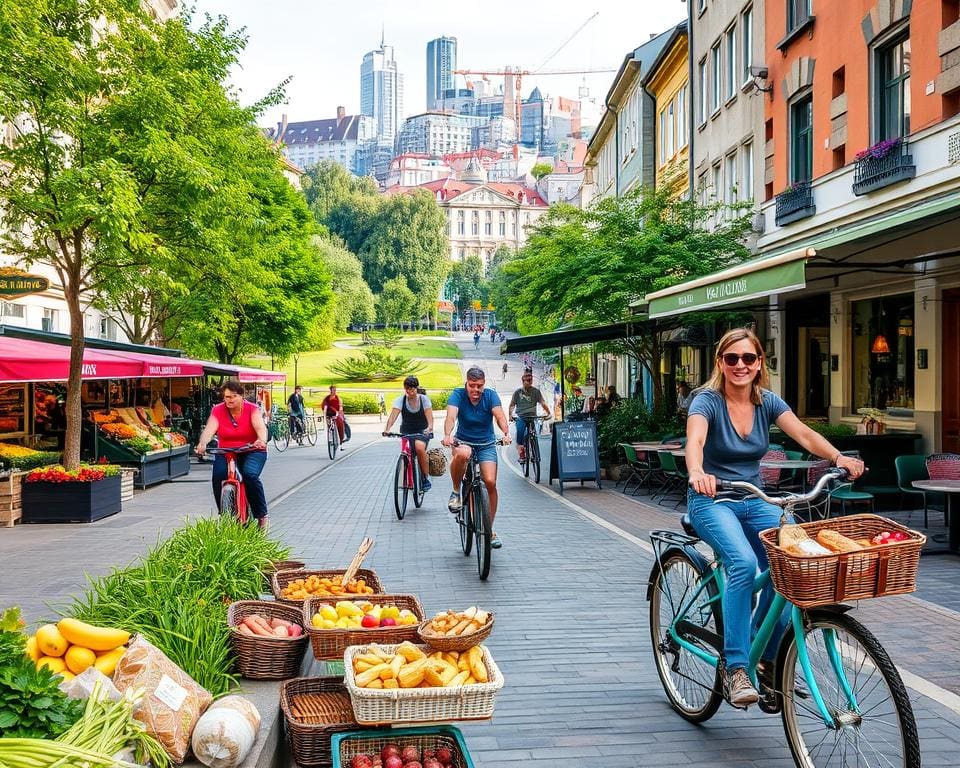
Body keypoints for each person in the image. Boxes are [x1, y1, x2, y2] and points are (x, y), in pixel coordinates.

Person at [685, 328, 865, 707]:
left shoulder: (767, 401)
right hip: (713, 501)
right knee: (743, 563)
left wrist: (839, 458)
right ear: (720, 362)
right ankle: (735, 668)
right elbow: (695, 441)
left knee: (794, 563)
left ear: (759, 363)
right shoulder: (706, 401)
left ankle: (763, 659)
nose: (740, 365)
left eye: (748, 358)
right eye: (732, 358)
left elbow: (802, 433)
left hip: (755, 499)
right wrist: (697, 472)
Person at [442, 367, 511, 548]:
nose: (476, 390)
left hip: (486, 444)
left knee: (489, 481)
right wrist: (448, 435)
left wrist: (505, 432)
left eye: (479, 386)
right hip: (463, 441)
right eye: (472, 386)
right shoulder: (458, 394)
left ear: (484, 384)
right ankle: (456, 491)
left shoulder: (490, 396)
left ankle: (489, 529)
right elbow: (451, 416)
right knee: (463, 454)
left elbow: (500, 415)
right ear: (466, 383)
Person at [196, 379, 270, 528]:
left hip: (252, 449)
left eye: (232, 397)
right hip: (226, 451)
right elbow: (210, 429)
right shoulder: (217, 410)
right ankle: (223, 513)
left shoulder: (252, 409)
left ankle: (261, 516)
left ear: (242, 396)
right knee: (218, 475)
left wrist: (261, 440)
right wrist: (202, 443)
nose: (228, 400)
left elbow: (261, 428)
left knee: (250, 475)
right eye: (226, 397)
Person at [383, 375, 435, 491]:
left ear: (416, 388)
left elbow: (430, 417)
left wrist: (429, 428)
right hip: (406, 431)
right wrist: (387, 429)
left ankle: (424, 478)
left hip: (422, 431)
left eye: (412, 389)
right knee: (405, 451)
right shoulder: (401, 400)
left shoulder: (424, 399)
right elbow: (393, 416)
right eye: (407, 389)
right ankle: (407, 478)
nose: (409, 392)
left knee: (419, 447)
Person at [508, 371, 551, 462]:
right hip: (521, 416)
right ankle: (522, 454)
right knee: (520, 432)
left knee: (532, 434)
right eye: (527, 380)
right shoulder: (518, 392)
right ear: (523, 381)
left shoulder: (536, 391)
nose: (530, 382)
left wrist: (548, 412)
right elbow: (512, 404)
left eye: (531, 380)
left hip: (532, 417)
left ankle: (533, 448)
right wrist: (510, 415)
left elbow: (542, 402)